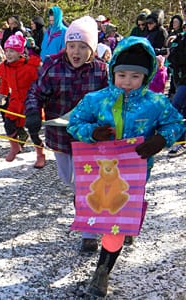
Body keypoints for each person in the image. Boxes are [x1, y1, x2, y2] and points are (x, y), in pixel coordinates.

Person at [67, 36, 184, 298]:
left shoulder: (156, 103)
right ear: (112, 72)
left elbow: (176, 124)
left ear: (146, 76)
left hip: (133, 176)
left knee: (115, 225)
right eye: (122, 75)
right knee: (97, 211)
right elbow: (74, 123)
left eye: (135, 76)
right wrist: (92, 132)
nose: (127, 82)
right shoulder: (96, 100)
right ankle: (124, 229)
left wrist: (160, 139)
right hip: (97, 172)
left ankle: (102, 272)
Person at [25, 16, 108, 252]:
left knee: (85, 184)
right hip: (60, 137)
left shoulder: (101, 71)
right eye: (72, 46)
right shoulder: (53, 66)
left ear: (92, 48)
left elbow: (113, 100)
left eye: (83, 47)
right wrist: (32, 113)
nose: (76, 52)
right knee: (69, 180)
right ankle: (82, 200)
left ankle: (89, 231)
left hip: (89, 138)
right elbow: (35, 93)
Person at [0, 34, 41, 164]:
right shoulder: (5, 67)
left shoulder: (29, 67)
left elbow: (38, 84)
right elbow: (4, 81)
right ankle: (15, 147)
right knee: (8, 124)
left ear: (20, 52)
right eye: (7, 51)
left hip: (30, 101)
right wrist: (2, 94)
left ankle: (40, 154)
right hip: (15, 101)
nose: (8, 54)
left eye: (12, 51)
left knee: (33, 129)